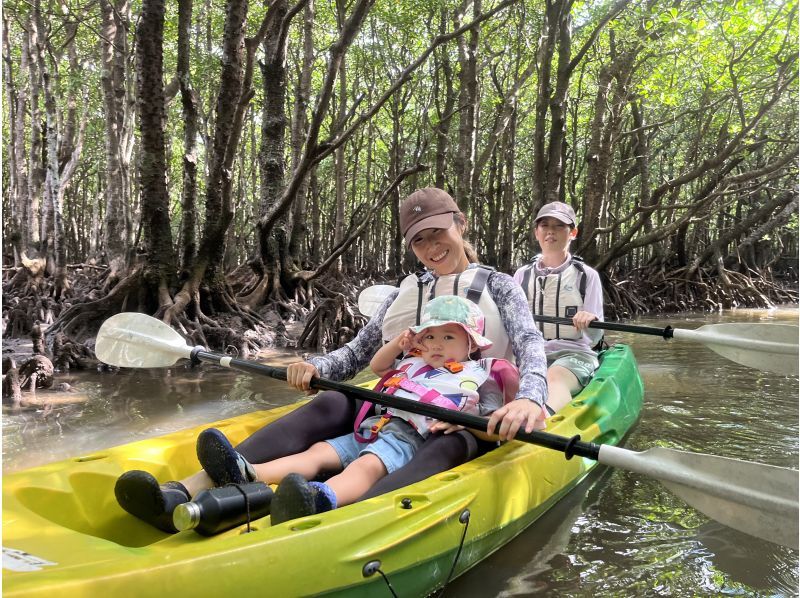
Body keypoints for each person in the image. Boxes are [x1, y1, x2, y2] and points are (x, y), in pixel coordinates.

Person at [115, 187, 548, 533]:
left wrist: (528, 400)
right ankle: (185, 492)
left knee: (448, 441)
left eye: (438, 232)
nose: (431, 246)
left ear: (460, 224)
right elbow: (355, 355)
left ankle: (344, 519)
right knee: (335, 401)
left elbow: (530, 346)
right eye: (419, 239)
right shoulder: (405, 293)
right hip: (395, 410)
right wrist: (315, 367)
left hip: (466, 421)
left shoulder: (501, 286)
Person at [192, 296, 517, 524]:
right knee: (319, 452)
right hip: (372, 426)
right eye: (429, 336)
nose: (435, 344)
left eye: (448, 336)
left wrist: (463, 425)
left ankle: (322, 497)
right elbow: (378, 366)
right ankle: (247, 471)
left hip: (408, 439)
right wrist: (398, 345)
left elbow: (491, 420)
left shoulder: (482, 374)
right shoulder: (414, 361)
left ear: (471, 344)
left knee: (366, 468)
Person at [513, 201, 604, 415]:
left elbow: (596, 337)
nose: (551, 231)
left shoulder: (586, 276)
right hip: (530, 353)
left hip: (573, 353)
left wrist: (589, 320)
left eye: (559, 226)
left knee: (553, 376)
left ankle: (540, 418)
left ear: (572, 233)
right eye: (545, 225)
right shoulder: (521, 275)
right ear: (536, 232)